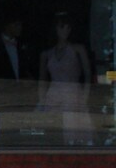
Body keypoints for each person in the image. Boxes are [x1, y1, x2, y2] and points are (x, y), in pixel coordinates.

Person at [38, 14, 94, 145]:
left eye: (68, 27)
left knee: (73, 134)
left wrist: (85, 97)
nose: (66, 31)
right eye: (62, 27)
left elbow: (88, 75)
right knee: (54, 136)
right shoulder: (47, 54)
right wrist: (41, 101)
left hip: (73, 96)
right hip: (53, 97)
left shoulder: (78, 49)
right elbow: (42, 81)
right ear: (55, 29)